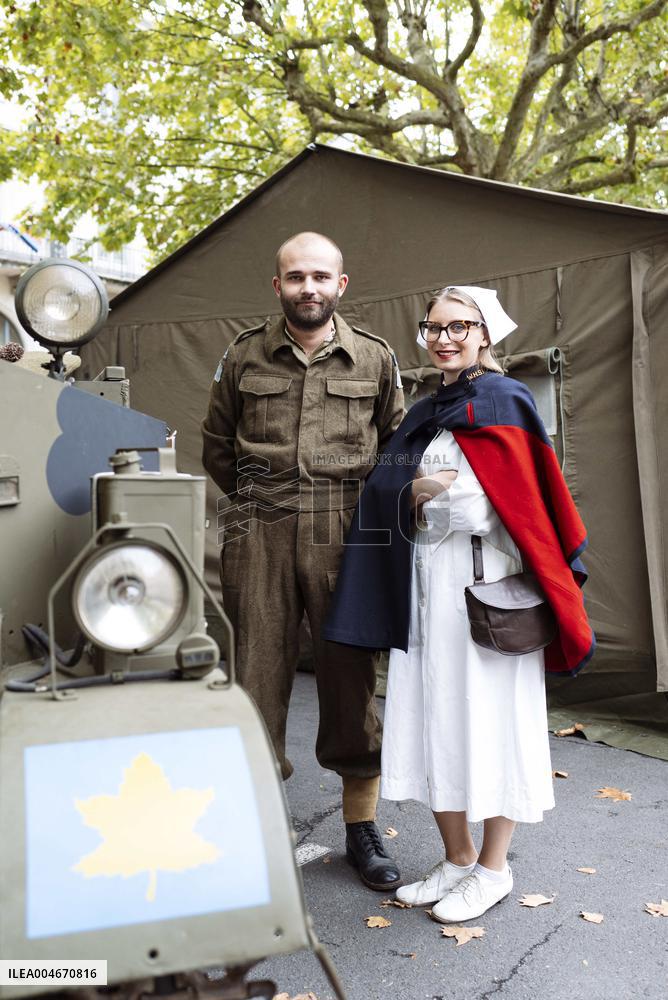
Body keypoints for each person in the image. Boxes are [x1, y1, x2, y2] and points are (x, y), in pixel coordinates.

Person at [323, 285, 595, 920]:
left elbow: (478, 508)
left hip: (484, 596)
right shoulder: (426, 411)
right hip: (424, 592)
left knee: (492, 727)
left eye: (457, 327)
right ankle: (457, 858)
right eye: (433, 328)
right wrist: (418, 489)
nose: (442, 338)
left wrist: (424, 493)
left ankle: (494, 870)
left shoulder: (505, 402)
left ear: (484, 334)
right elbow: (388, 495)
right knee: (434, 723)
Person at [201, 232, 405, 891]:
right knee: (256, 676)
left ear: (341, 285)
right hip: (259, 525)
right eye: (295, 277)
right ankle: (257, 827)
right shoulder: (242, 355)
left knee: (351, 680)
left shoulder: (374, 358)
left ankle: (360, 829)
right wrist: (259, 504)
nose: (308, 287)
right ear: (278, 285)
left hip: (346, 531)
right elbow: (216, 448)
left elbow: (397, 445)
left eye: (321, 276)